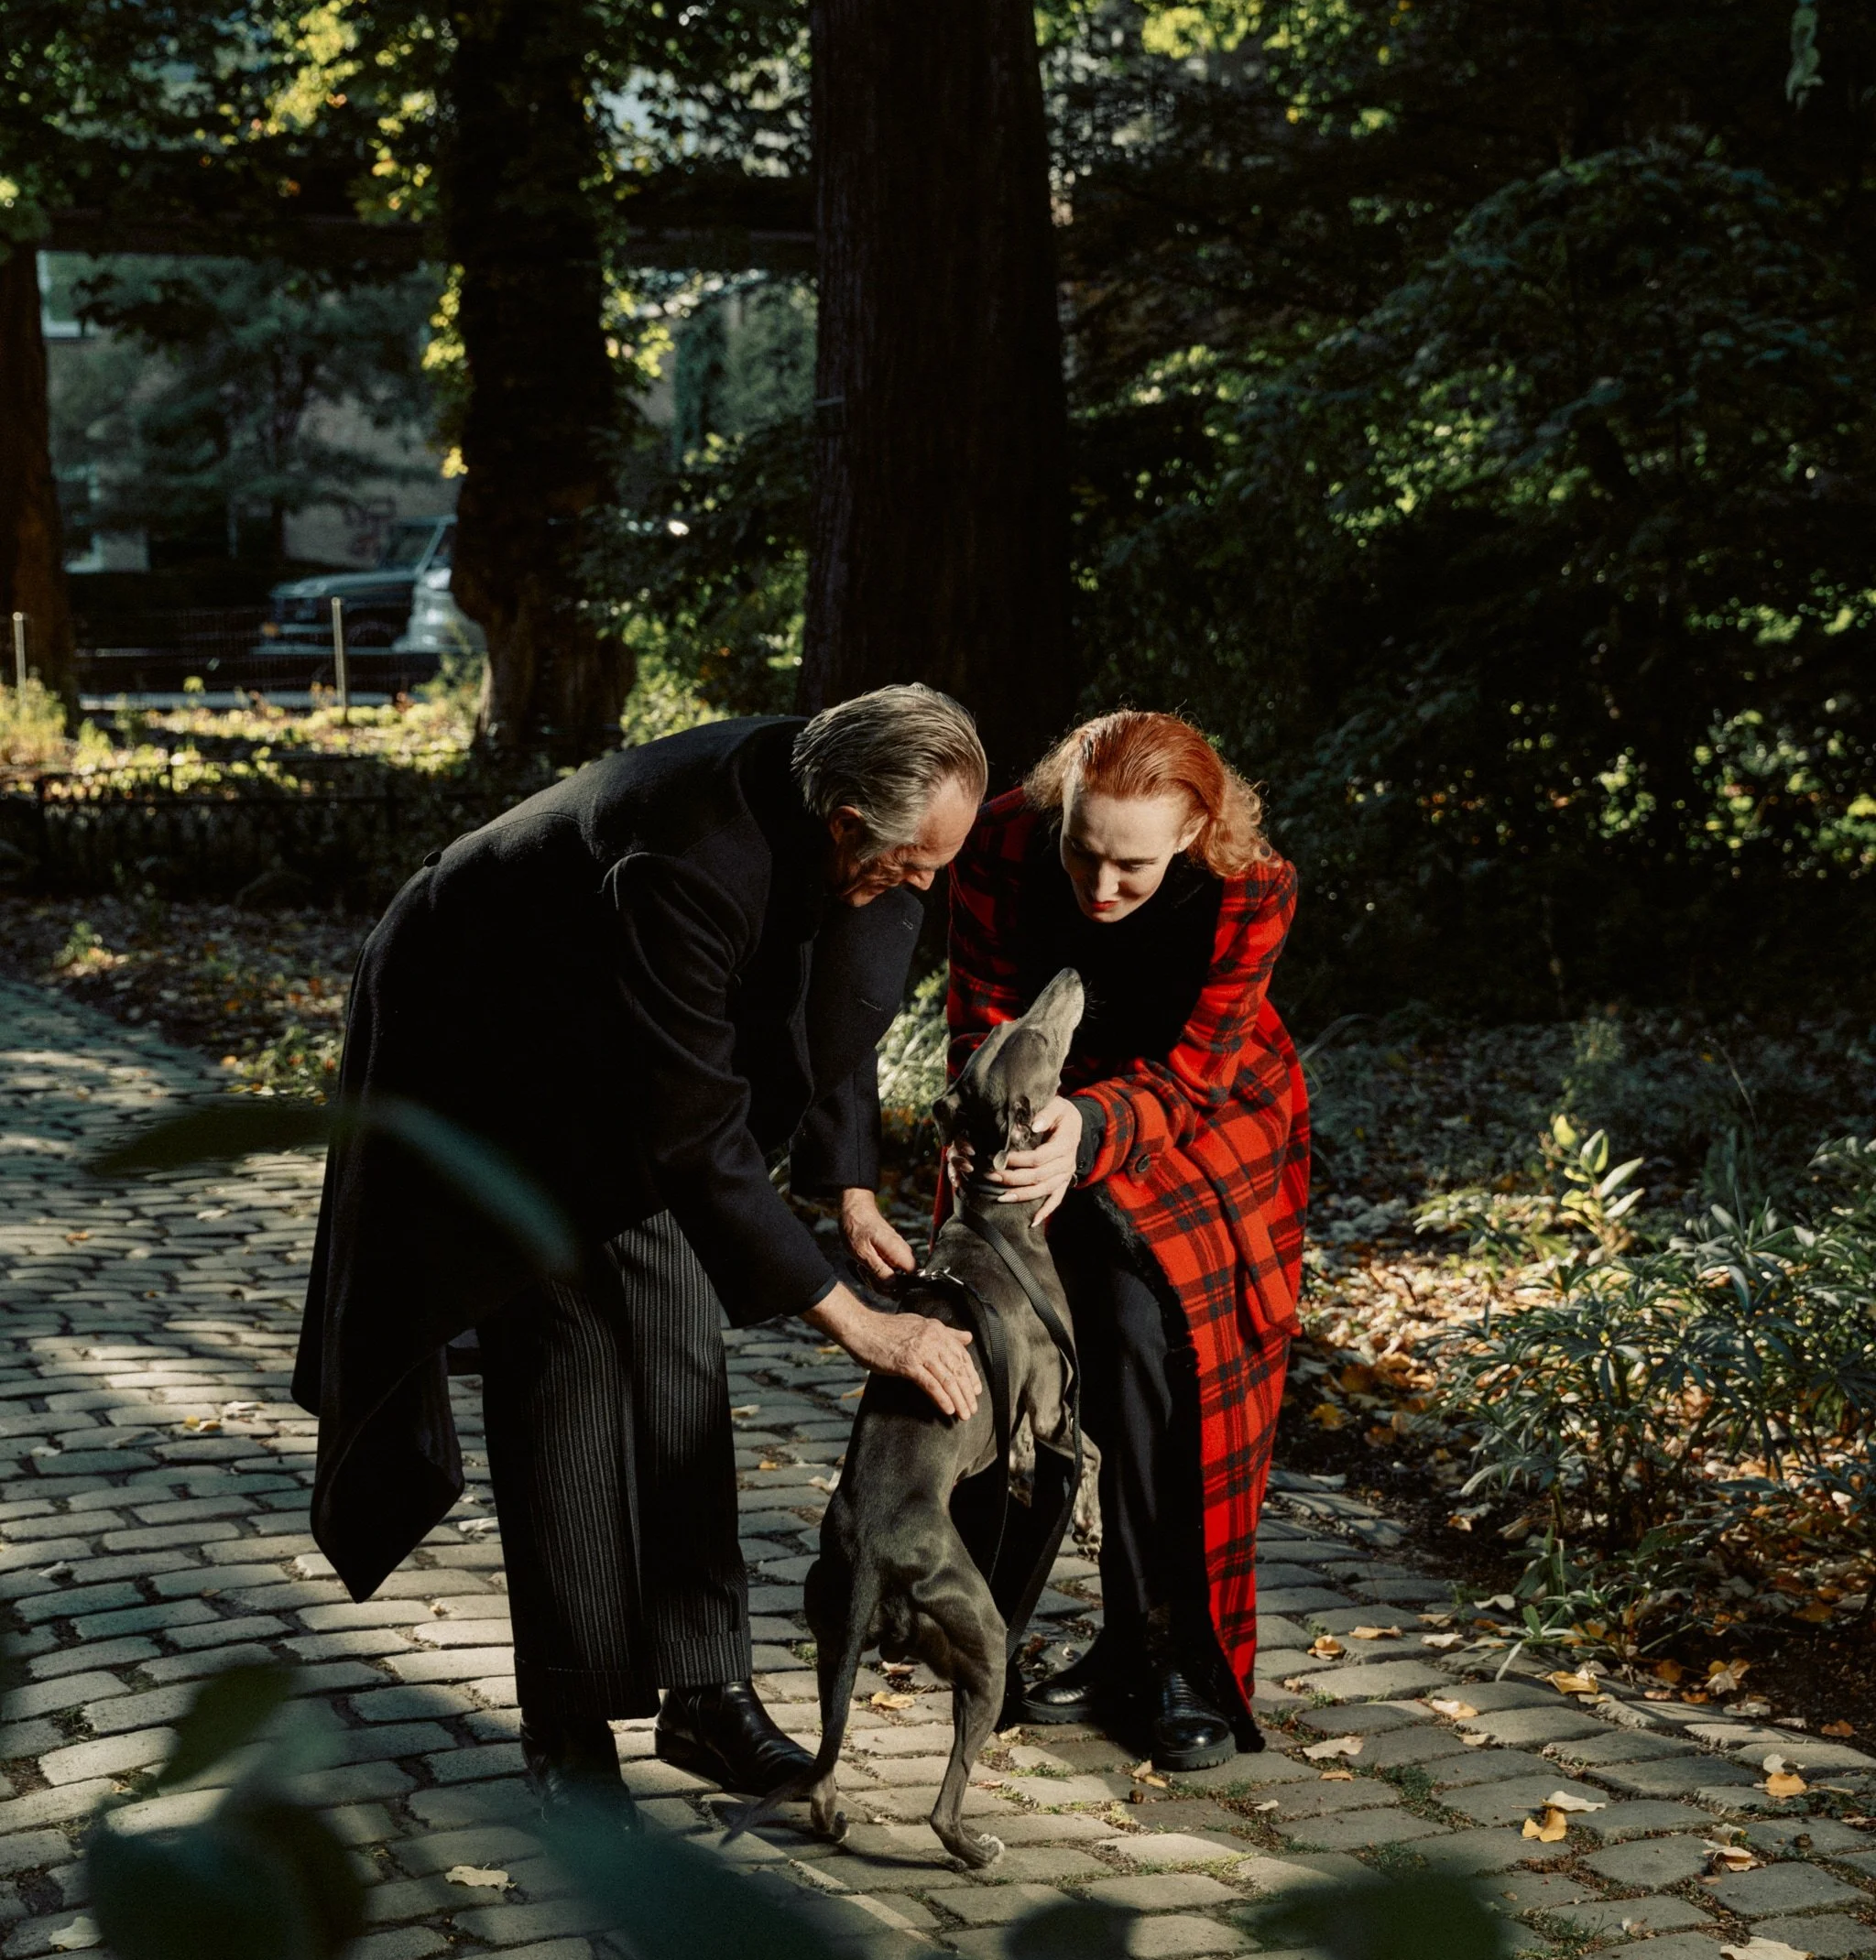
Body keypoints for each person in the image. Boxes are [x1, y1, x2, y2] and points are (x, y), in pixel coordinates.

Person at [294, 686, 986, 1814]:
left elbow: (833, 995)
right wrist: (859, 1323)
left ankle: (705, 1692)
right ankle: (567, 1726)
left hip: (620, 1034)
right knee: (564, 1355)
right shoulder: (690, 858)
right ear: (845, 822)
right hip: (486, 1036)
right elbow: (694, 1135)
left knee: (676, 1342)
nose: (923, 885)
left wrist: (848, 1185)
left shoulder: (852, 822)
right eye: (911, 864)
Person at [945, 709, 1309, 1769]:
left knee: (1156, 1345)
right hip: (1034, 1107)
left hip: (1196, 1118)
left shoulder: (1251, 886)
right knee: (1014, 1343)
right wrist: (994, 1121)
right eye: (1081, 853)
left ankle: (1163, 1652)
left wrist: (1091, 1129)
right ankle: (985, 1633)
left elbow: (1199, 1076)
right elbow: (978, 1014)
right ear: (1057, 810)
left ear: (1193, 832)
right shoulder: (996, 840)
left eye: (1132, 868)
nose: (1098, 889)